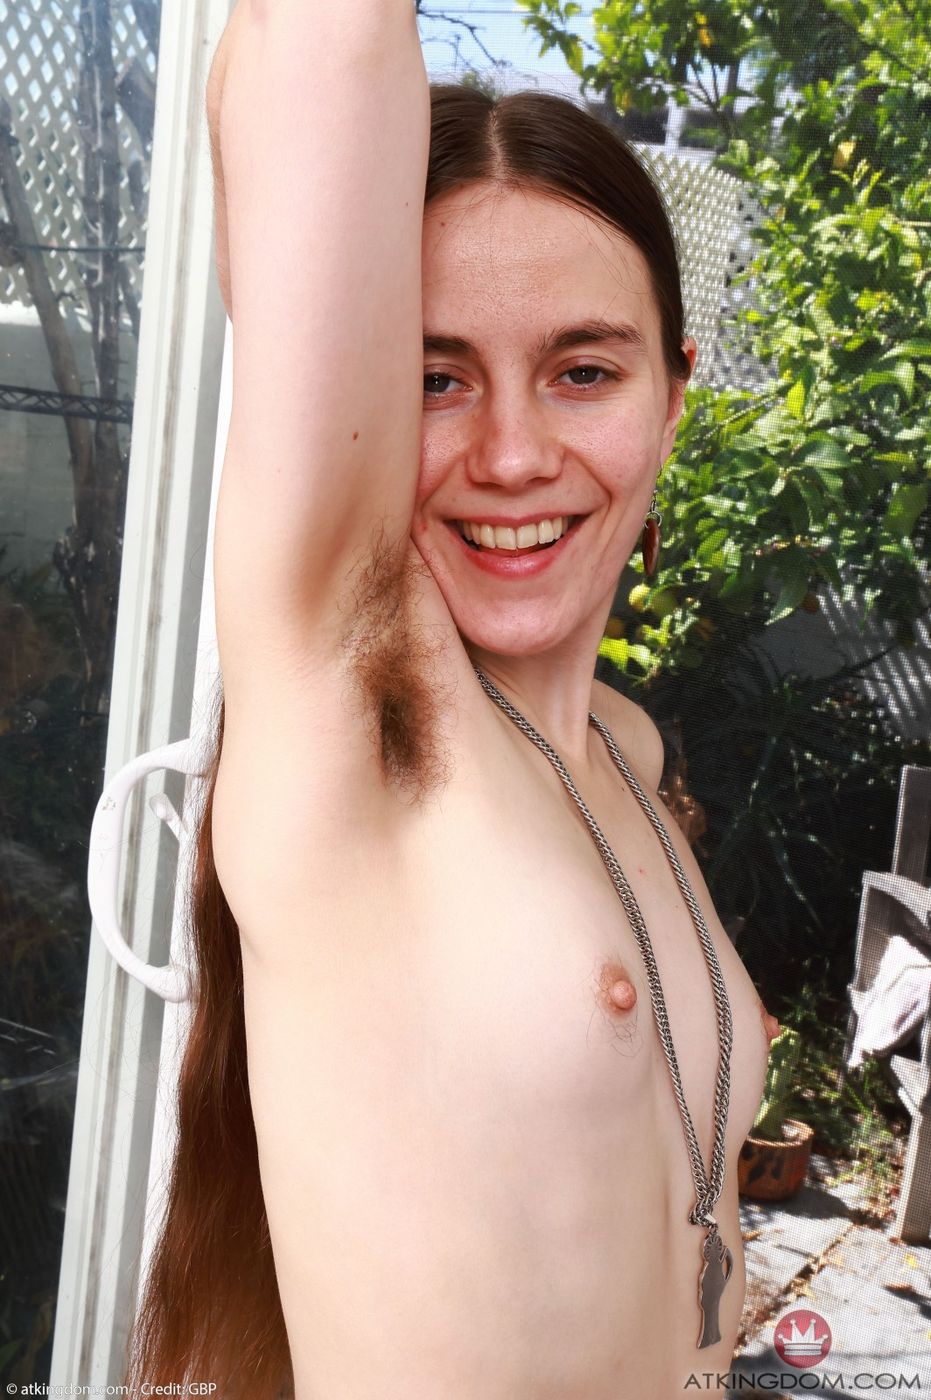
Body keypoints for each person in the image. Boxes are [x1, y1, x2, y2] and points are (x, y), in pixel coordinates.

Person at [128, 3, 781, 1397]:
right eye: (434, 378)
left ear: (674, 398)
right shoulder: (361, 724)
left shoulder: (623, 746)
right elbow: (314, 49)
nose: (512, 453)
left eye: (584, 371)